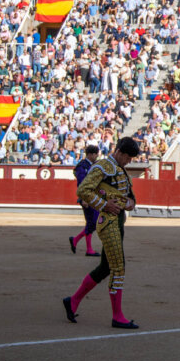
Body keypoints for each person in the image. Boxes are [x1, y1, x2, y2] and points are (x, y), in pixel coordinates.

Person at [63, 136, 142, 329]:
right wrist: (104, 205)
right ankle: (117, 316)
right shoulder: (102, 167)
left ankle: (72, 301)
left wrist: (130, 203)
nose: (129, 161)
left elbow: (129, 196)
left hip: (118, 221)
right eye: (128, 157)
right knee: (118, 267)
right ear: (120, 153)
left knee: (106, 267)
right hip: (108, 223)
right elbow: (83, 190)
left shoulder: (120, 169)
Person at [67, 145, 101, 257]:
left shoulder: (92, 165)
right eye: (96, 154)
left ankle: (77, 241)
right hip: (87, 198)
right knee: (93, 222)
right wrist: (84, 198)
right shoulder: (82, 166)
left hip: (93, 197)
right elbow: (81, 183)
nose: (97, 156)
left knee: (92, 222)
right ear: (91, 154)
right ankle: (87, 248)